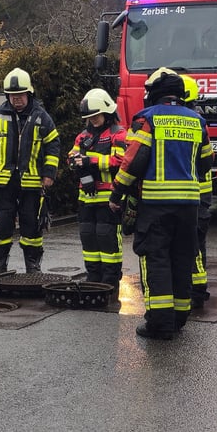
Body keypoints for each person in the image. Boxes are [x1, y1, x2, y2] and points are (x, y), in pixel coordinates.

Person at [109, 68, 212, 340]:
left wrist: (117, 192)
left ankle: (159, 323)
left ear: (154, 92)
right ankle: (179, 317)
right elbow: (205, 163)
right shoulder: (197, 122)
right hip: (189, 205)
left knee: (156, 261)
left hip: (155, 204)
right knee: (182, 258)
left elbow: (133, 161)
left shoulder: (147, 119)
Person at [0, 68, 60, 275]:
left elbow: (53, 145)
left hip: (31, 183)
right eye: (13, 96)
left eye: (20, 95)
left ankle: (32, 266)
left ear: (29, 94)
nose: (16, 100)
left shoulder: (42, 117)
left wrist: (49, 174)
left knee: (31, 226)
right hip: (4, 182)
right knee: (2, 225)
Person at [67, 88, 127, 297]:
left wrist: (90, 161)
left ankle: (110, 280)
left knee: (106, 237)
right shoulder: (82, 137)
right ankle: (93, 277)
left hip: (109, 198)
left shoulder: (118, 134)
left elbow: (120, 162)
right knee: (88, 237)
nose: (92, 120)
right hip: (87, 197)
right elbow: (71, 158)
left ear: (107, 112)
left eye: (96, 115)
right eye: (89, 117)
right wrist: (79, 166)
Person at [180, 75, 212, 308]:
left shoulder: (188, 123)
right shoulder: (198, 123)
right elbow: (207, 159)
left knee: (193, 244)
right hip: (201, 196)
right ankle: (197, 289)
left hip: (194, 197)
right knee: (196, 244)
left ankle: (197, 291)